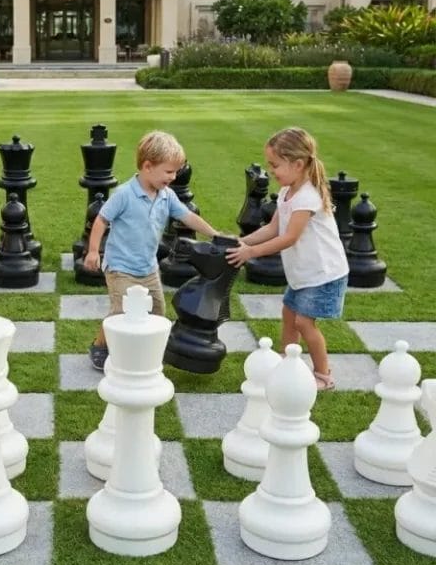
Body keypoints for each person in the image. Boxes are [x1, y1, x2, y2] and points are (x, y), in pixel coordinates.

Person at [83, 130, 220, 370]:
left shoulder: (166, 196)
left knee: (157, 311)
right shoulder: (125, 194)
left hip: (148, 267)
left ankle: (148, 349)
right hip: (120, 268)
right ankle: (100, 345)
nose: (174, 177)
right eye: (169, 171)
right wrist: (94, 251)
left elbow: (187, 216)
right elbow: (101, 220)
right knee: (120, 313)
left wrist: (215, 234)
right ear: (147, 166)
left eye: (176, 171)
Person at [226, 127, 348, 391]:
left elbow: (289, 237)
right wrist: (242, 241)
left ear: (298, 163)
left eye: (275, 166)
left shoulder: (307, 197)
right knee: (288, 313)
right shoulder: (286, 193)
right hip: (304, 272)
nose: (271, 172)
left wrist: (251, 253)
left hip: (324, 273)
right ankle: (286, 361)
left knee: (304, 322)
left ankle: (324, 375)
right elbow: (272, 229)